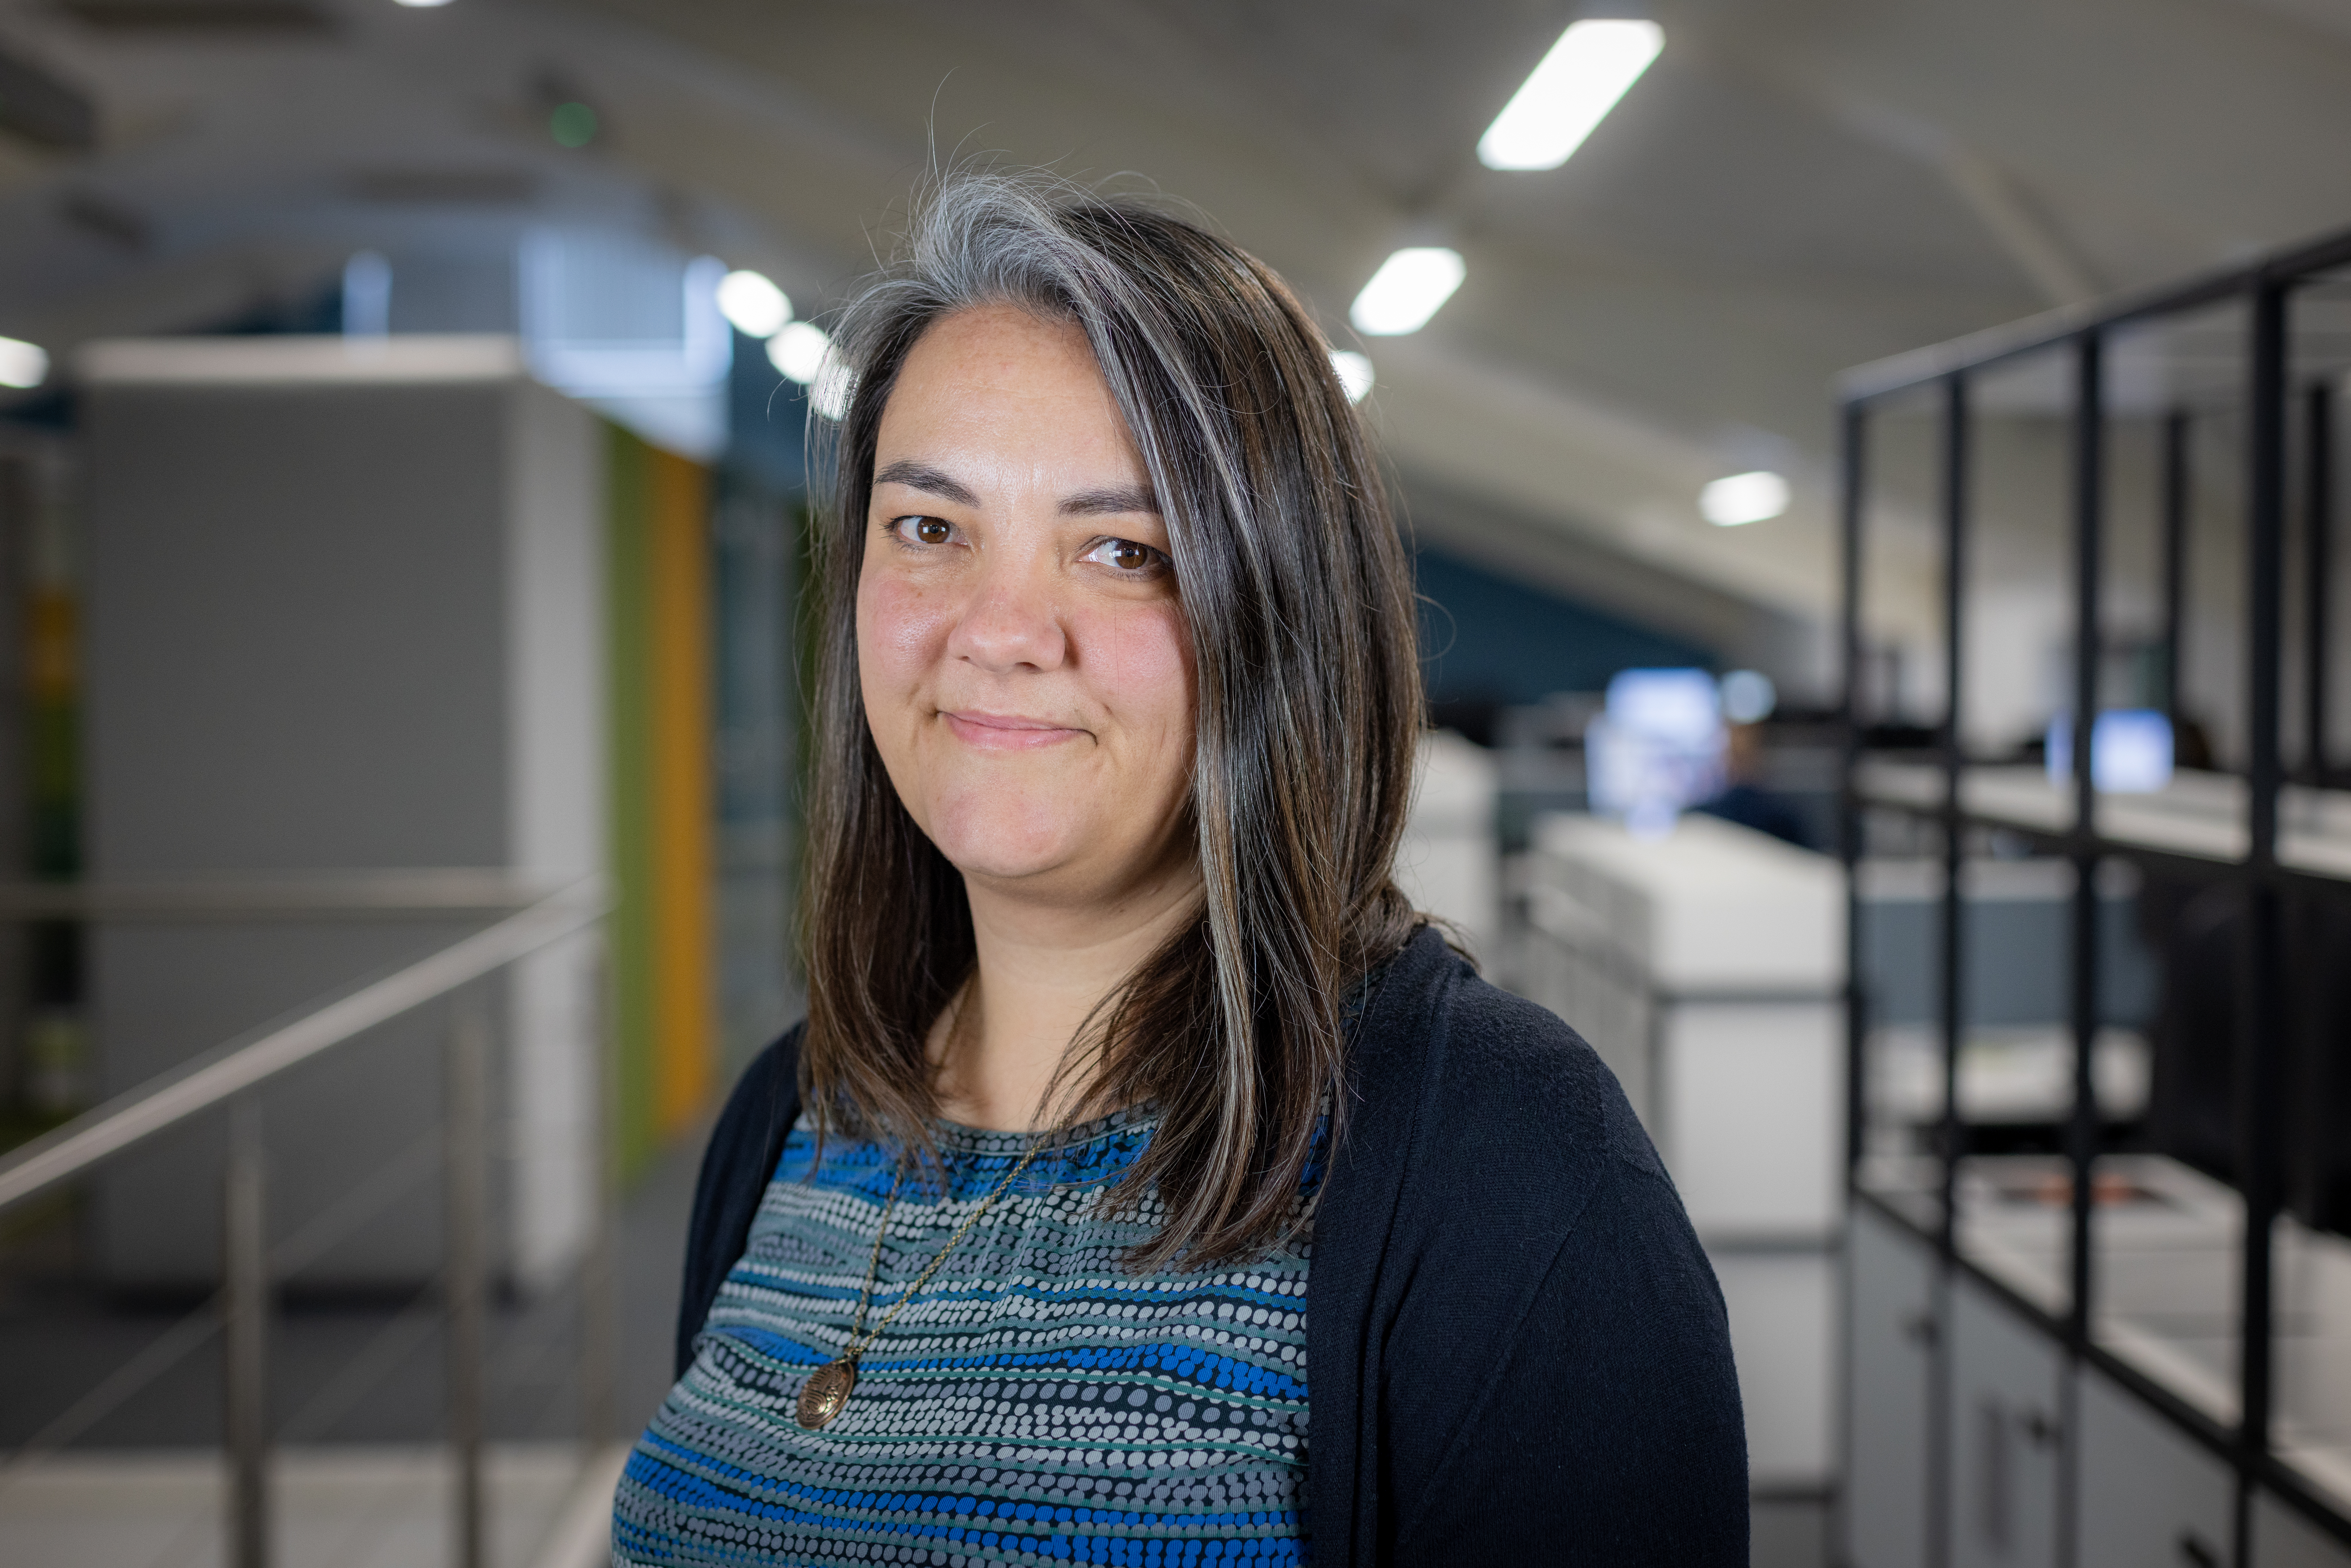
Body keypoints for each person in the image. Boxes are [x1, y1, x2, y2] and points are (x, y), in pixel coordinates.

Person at [614, 173, 1746, 1567]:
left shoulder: (1505, 1164)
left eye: (1121, 549)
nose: (1000, 631)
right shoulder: (790, 1112)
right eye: (930, 528)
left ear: (1279, 615)